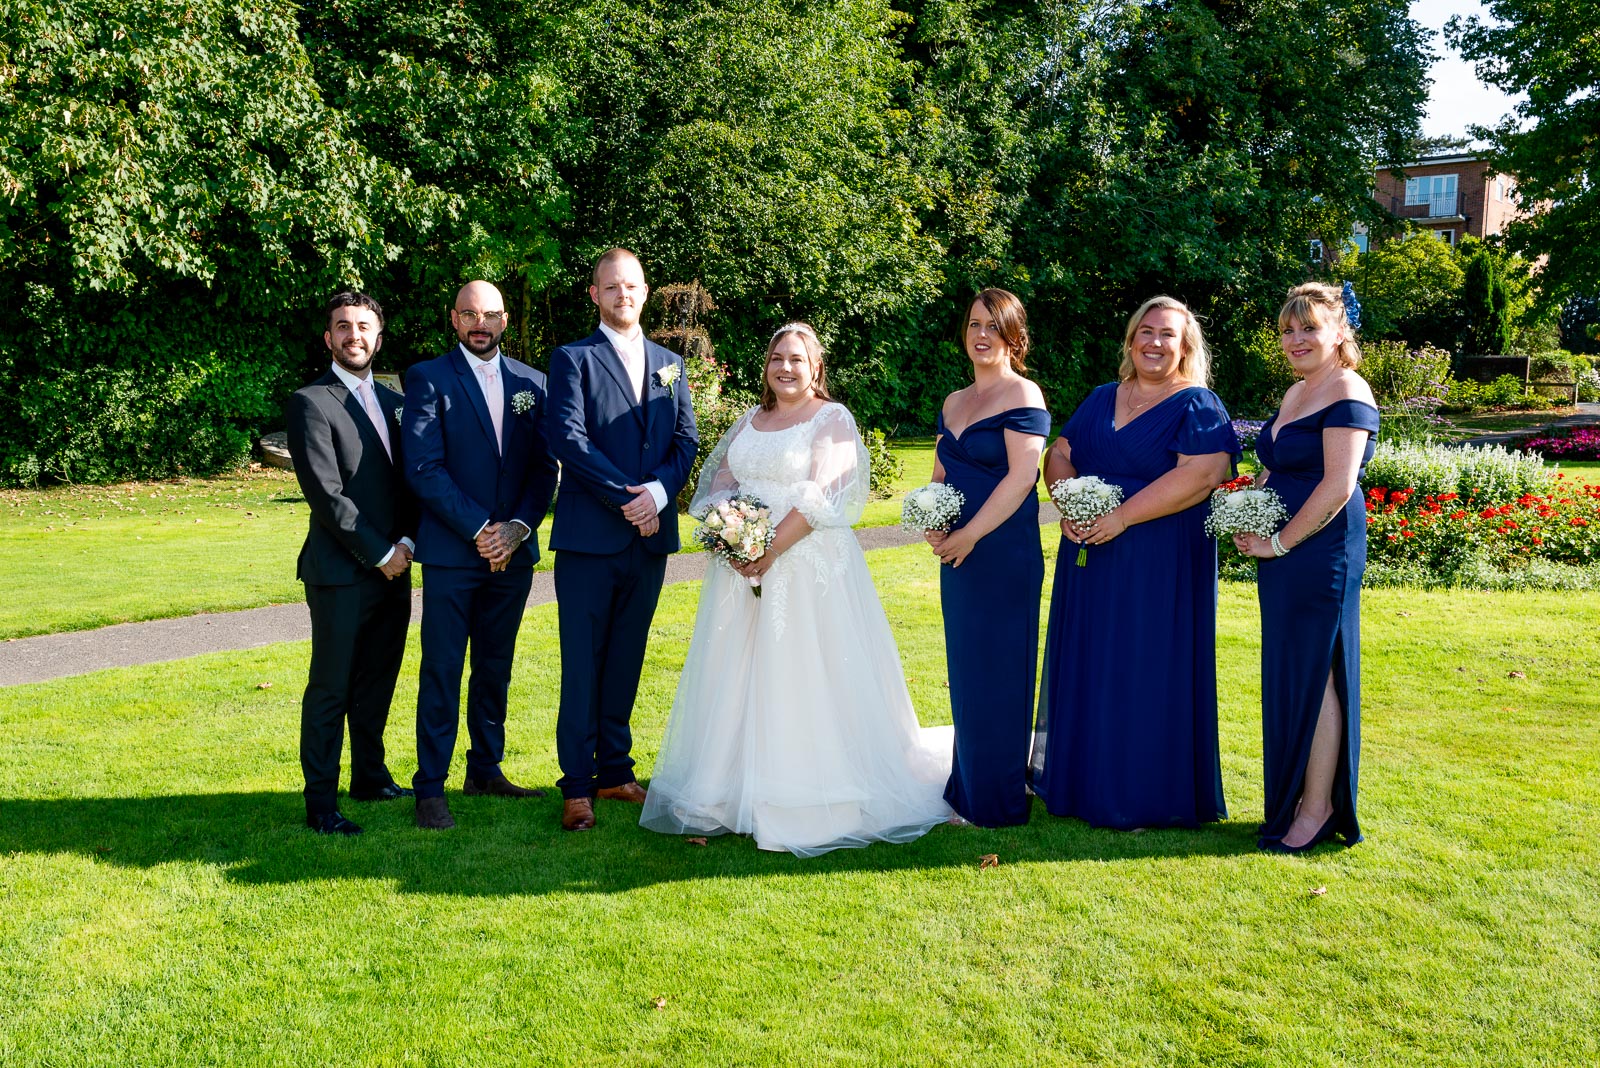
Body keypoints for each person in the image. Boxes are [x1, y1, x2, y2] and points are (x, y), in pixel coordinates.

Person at [641, 323, 952, 856]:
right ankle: (728, 790)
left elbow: (818, 496)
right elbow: (719, 482)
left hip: (804, 564)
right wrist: (730, 531)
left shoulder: (831, 419)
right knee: (737, 671)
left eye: (798, 360)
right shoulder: (751, 420)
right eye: (777, 358)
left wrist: (767, 549)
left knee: (801, 669)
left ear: (816, 369)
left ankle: (806, 794)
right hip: (744, 566)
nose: (786, 368)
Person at [1030, 296, 1239, 830]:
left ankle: (1143, 793)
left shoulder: (1199, 405)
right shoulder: (1102, 397)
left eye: (1168, 334)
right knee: (1091, 659)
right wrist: (1068, 501)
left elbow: (1204, 473)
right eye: (1145, 331)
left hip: (1159, 562)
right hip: (1090, 558)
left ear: (1185, 346)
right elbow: (1059, 454)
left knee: (1144, 665)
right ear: (1130, 340)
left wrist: (1121, 517)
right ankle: (1080, 782)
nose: (1154, 342)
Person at [547, 249, 698, 832]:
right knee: (582, 662)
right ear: (595, 295)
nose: (622, 295)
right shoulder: (573, 359)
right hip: (590, 540)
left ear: (645, 290)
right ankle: (577, 786)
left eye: (631, 286)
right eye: (611, 287)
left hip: (649, 540)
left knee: (627, 658)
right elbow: (567, 439)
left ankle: (614, 771)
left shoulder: (670, 363)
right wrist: (627, 497)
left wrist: (658, 496)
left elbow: (684, 440)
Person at [401, 280, 559, 830]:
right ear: (453, 319)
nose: (480, 323)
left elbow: (545, 469)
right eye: (469, 313)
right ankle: (429, 787)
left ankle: (486, 768)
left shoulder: (533, 383)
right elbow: (423, 467)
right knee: (442, 667)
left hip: (512, 553)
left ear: (506, 320)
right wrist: (479, 529)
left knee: (495, 665)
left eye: (490, 314)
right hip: (452, 552)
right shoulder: (427, 378)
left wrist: (515, 529)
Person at [1232, 283, 1378, 853]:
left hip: (1320, 550)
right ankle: (1296, 796)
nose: (1296, 340)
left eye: (1309, 328)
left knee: (1319, 674)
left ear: (1340, 332)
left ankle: (1317, 809)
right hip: (1283, 549)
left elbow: (1338, 485)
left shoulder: (1346, 388)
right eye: (1288, 331)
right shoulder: (1298, 391)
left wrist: (1281, 543)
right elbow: (1277, 466)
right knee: (1295, 670)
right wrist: (1247, 509)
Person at [285, 291, 419, 835]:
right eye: (343, 327)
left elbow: (413, 483)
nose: (354, 336)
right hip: (341, 573)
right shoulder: (311, 401)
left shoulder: (396, 404)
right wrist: (384, 553)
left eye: (364, 327)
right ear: (328, 338)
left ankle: (369, 776)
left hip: (396, 568)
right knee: (332, 688)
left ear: (378, 336)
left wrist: (407, 543)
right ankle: (321, 802)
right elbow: (327, 495)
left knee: (377, 681)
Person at [926, 289, 1049, 827]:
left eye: (993, 327)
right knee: (968, 671)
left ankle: (996, 800)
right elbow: (938, 474)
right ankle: (967, 786)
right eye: (974, 324)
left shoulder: (1025, 395)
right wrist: (931, 519)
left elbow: (1023, 478)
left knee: (1001, 672)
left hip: (1001, 552)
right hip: (958, 555)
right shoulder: (954, 401)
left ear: (1013, 337)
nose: (981, 335)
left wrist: (972, 534)